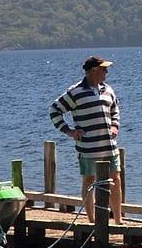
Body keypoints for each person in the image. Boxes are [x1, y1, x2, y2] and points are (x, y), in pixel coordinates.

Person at [49, 55, 122, 221]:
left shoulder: (108, 89)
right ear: (94, 70)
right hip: (88, 147)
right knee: (90, 180)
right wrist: (69, 131)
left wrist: (115, 126)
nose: (107, 72)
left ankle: (118, 219)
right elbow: (54, 111)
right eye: (104, 69)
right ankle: (92, 219)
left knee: (115, 179)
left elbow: (115, 109)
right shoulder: (75, 92)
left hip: (110, 146)